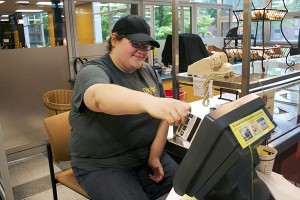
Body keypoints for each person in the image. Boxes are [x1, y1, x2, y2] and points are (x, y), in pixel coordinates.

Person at [69, 15, 191, 200]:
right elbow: (98, 96)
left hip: (144, 157)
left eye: (146, 46)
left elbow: (162, 118)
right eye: (136, 43)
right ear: (115, 40)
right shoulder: (93, 71)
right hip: (103, 165)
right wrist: (150, 103)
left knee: (187, 190)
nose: (143, 51)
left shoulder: (148, 71)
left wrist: (154, 156)